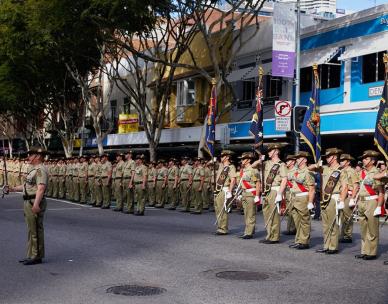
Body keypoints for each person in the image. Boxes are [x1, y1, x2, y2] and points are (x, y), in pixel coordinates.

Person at [7, 147, 49, 265]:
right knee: (32, 229)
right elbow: (27, 186)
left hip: (33, 201)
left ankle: (36, 256)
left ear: (38, 156)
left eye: (31, 155)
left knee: (35, 229)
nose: (28, 157)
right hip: (28, 200)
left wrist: (36, 204)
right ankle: (32, 254)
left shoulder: (41, 170)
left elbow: (41, 188)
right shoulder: (34, 170)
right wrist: (13, 188)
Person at [316, 148, 348, 254]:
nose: (327, 158)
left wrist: (342, 200)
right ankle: (326, 245)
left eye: (329, 156)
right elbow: (309, 168)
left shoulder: (341, 170)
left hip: (334, 198)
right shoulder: (325, 168)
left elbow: (344, 187)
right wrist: (317, 164)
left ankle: (333, 247)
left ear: (334, 157)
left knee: (333, 223)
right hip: (324, 199)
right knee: (325, 224)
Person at [355, 150, 385, 260]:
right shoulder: (362, 172)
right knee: (363, 228)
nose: (363, 160)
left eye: (366, 158)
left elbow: (381, 191)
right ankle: (364, 251)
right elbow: (359, 187)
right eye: (363, 158)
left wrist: (379, 206)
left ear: (372, 161)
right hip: (362, 201)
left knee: (372, 229)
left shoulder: (376, 173)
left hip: (372, 201)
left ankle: (371, 252)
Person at [260, 143, 287, 244]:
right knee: (266, 213)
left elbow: (284, 179)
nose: (268, 153)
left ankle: (274, 237)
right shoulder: (266, 163)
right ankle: (269, 235)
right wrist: (260, 159)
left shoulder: (281, 164)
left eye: (270, 151)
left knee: (274, 214)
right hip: (266, 191)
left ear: (276, 151)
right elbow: (254, 165)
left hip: (275, 190)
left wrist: (280, 194)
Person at [289, 151, 315, 250]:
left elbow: (311, 189)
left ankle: (304, 241)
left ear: (305, 160)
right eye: (297, 158)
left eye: (299, 158)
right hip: (294, 198)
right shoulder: (296, 172)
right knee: (297, 221)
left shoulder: (307, 172)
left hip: (303, 198)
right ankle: (299, 240)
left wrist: (310, 202)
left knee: (304, 221)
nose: (297, 160)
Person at [238, 152, 260, 239]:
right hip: (244, 193)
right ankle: (249, 230)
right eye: (242, 159)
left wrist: (257, 196)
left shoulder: (253, 170)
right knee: (246, 214)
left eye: (243, 159)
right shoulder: (243, 170)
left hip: (251, 194)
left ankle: (249, 233)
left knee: (250, 214)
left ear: (249, 160)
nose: (242, 160)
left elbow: (257, 183)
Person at [214, 150, 236, 235]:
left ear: (227, 157)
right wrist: (213, 159)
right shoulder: (221, 166)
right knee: (218, 209)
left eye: (223, 156)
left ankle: (223, 228)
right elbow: (209, 164)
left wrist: (230, 191)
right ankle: (220, 227)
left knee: (222, 210)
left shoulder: (231, 167)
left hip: (224, 190)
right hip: (218, 190)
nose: (221, 158)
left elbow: (233, 180)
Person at [339, 153, 360, 243]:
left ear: (348, 162)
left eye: (342, 160)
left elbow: (356, 186)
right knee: (342, 216)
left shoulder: (351, 171)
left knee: (348, 216)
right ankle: (343, 234)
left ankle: (347, 236)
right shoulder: (341, 171)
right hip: (342, 194)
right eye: (340, 160)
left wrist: (352, 198)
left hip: (349, 195)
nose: (340, 162)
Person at [284, 154, 297, 235]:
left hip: (293, 192)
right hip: (287, 192)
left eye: (288, 161)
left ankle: (293, 228)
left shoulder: (296, 170)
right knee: (289, 211)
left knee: (293, 211)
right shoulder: (286, 170)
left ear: (293, 162)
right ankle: (289, 228)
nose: (286, 162)